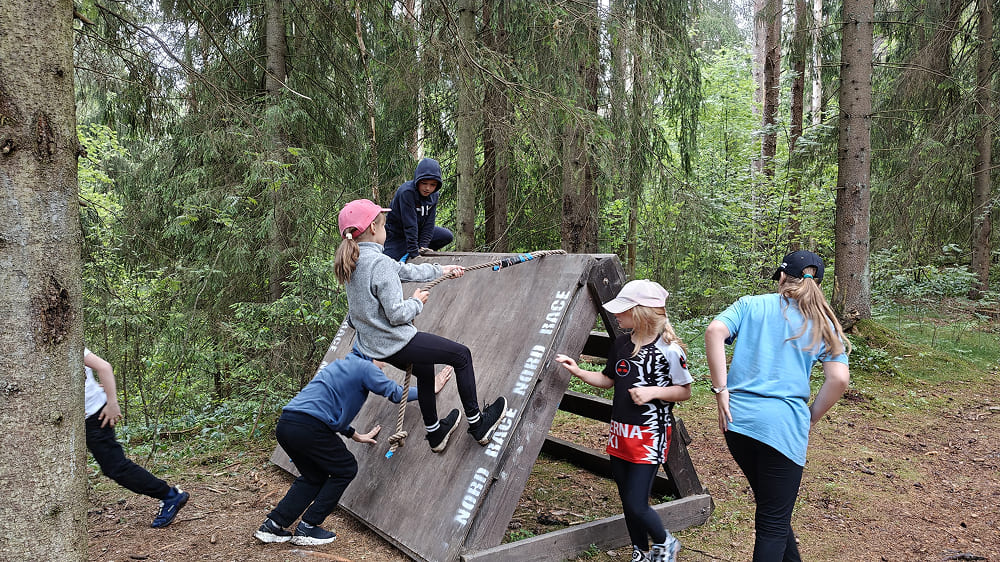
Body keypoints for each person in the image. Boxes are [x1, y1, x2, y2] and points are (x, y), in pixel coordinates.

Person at [704, 250, 851, 561]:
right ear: (818, 285)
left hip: (737, 423)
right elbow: (838, 379)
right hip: (783, 430)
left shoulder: (750, 304)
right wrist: (810, 417)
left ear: (782, 277)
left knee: (774, 510)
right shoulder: (822, 323)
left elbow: (715, 331)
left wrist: (721, 391)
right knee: (772, 523)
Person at [334, 198, 507, 454]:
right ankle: (478, 423)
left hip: (375, 346)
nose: (386, 229)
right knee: (461, 355)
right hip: (396, 342)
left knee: (425, 370)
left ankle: (435, 432)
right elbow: (396, 314)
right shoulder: (378, 263)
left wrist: (442, 269)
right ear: (372, 228)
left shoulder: (354, 261)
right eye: (383, 225)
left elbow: (404, 271)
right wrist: (416, 302)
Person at [555, 280, 692, 562]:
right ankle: (640, 551)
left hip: (650, 434)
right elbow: (608, 380)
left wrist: (653, 391)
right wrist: (579, 372)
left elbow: (685, 391)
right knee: (627, 501)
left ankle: (667, 544)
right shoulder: (620, 344)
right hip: (620, 434)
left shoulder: (669, 349)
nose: (616, 315)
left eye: (622, 310)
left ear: (641, 312)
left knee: (636, 501)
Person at [254, 353, 415, 545]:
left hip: (287, 424)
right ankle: (308, 527)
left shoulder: (339, 366)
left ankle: (272, 525)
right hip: (310, 427)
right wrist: (430, 389)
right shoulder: (365, 367)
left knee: (313, 477)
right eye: (383, 361)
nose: (383, 367)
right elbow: (397, 393)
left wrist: (357, 435)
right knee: (346, 468)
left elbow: (327, 412)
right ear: (373, 353)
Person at [84, 348, 189, 528]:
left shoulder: (64, 341)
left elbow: (104, 367)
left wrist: (112, 403)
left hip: (96, 416)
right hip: (83, 416)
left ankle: (170, 496)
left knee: (116, 467)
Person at [383, 157, 454, 262]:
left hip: (418, 233)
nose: (428, 188)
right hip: (397, 235)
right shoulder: (407, 192)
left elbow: (429, 224)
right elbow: (409, 225)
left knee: (446, 236)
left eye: (432, 185)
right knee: (387, 261)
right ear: (418, 180)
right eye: (424, 183)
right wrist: (414, 253)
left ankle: (413, 249)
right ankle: (407, 252)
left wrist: (423, 247)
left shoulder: (434, 195)